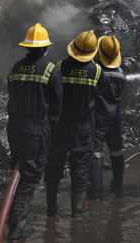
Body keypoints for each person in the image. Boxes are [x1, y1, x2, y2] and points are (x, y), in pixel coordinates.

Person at [5, 23, 63, 240]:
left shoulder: (14, 68)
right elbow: (57, 105)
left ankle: (14, 221)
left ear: (27, 47)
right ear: (45, 48)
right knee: (29, 179)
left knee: (18, 173)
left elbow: (12, 95)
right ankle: (16, 231)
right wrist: (51, 128)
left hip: (15, 127)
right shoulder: (51, 69)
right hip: (37, 128)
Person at [44, 30, 105, 218]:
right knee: (80, 170)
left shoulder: (58, 66)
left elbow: (50, 94)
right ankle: (78, 212)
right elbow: (100, 92)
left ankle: (51, 210)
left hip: (60, 126)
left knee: (53, 168)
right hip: (83, 128)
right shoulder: (96, 71)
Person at [87, 35, 126, 200]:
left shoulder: (95, 71)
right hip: (115, 117)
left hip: (98, 118)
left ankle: (95, 194)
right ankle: (117, 187)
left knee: (95, 153)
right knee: (116, 151)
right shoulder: (121, 72)